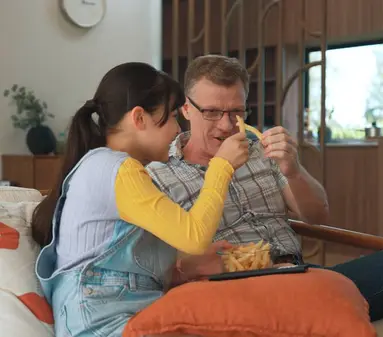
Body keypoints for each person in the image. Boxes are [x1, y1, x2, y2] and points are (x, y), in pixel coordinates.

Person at [146, 55, 383, 337]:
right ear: (187, 109)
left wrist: (293, 170)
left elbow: (318, 215)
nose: (227, 125)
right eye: (213, 112)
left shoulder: (261, 152)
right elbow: (164, 264)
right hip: (241, 292)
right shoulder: (159, 175)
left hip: (302, 274)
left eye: (237, 112)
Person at [31, 62, 249, 337]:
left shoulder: (103, 166)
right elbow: (194, 235)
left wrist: (184, 266)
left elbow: (123, 262)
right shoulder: (119, 170)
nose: (175, 129)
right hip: (102, 324)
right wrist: (222, 167)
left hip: (110, 316)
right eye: (171, 116)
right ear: (139, 118)